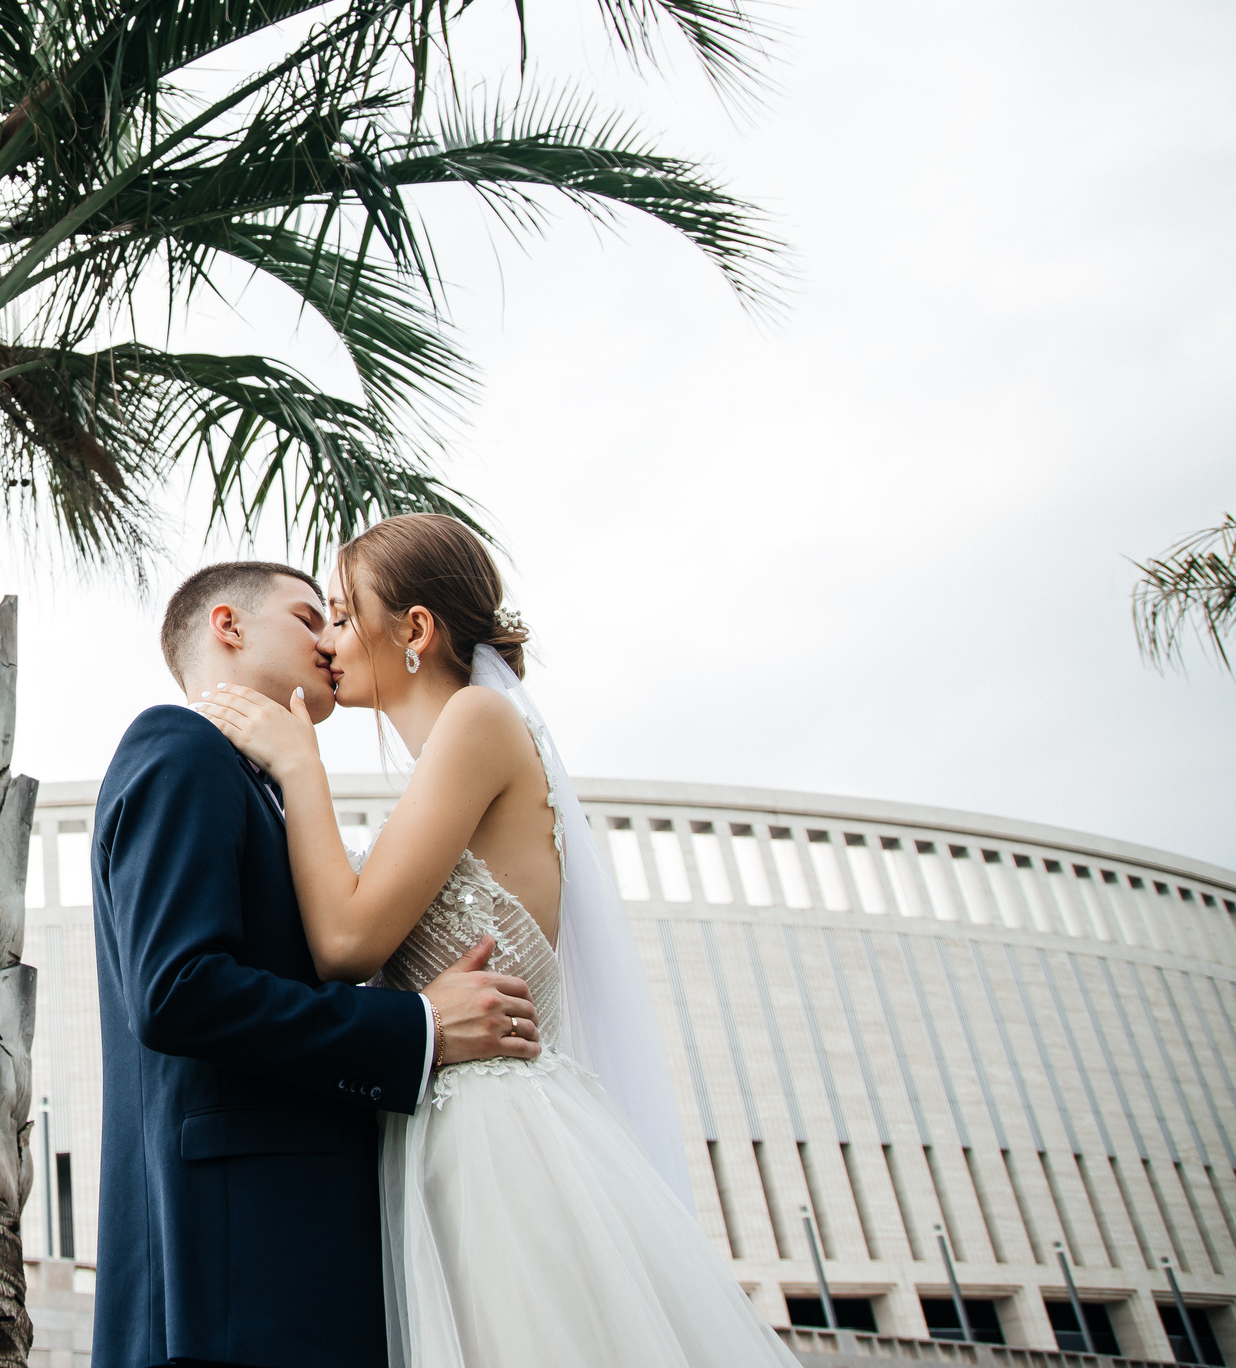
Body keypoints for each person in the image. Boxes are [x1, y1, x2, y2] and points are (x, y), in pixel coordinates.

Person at [191, 514, 802, 1367]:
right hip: (439, 1129)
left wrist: (300, 768)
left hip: (496, 1139)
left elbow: (346, 942)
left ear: (414, 629)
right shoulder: (443, 761)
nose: (328, 639)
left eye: (341, 611)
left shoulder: (477, 720)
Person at [89, 560, 545, 1368]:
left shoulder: (270, 792)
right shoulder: (181, 745)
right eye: (309, 618)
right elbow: (178, 990)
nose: (331, 642)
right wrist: (421, 1025)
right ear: (227, 626)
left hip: (297, 1267)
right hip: (230, 1281)